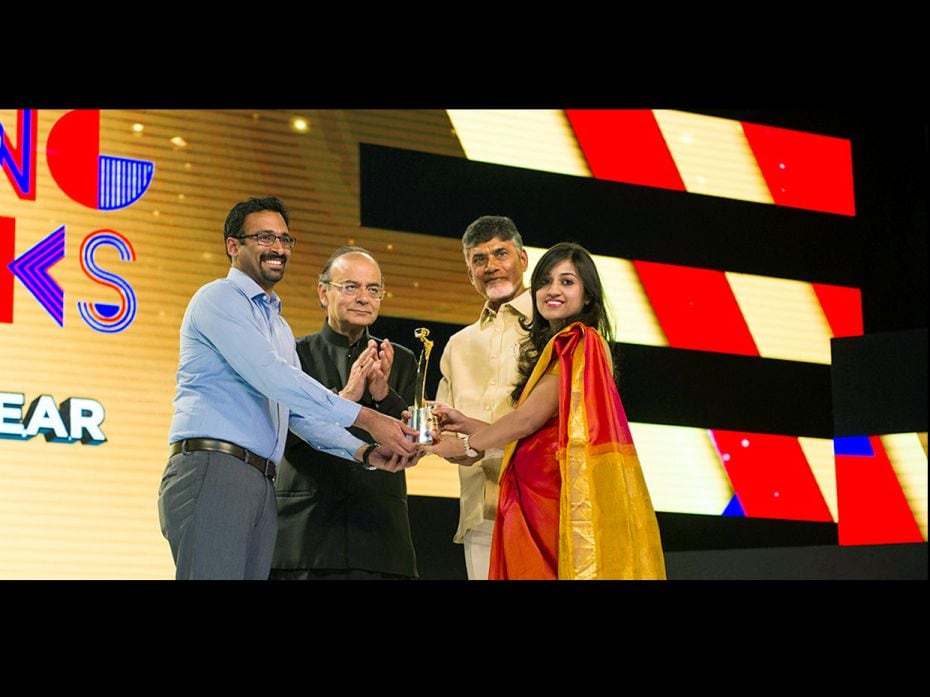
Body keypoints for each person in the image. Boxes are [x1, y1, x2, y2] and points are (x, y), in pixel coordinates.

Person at [158, 196, 420, 580]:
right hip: (215, 468)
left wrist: (363, 451)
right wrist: (365, 416)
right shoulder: (218, 298)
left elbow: (297, 416)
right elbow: (272, 376)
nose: (278, 248)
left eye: (285, 239)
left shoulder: (278, 326)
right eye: (265, 237)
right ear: (234, 246)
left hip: (260, 481)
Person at [427, 242, 666, 580]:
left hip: (553, 508)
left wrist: (468, 445)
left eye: (567, 282)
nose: (553, 290)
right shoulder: (557, 346)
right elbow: (541, 433)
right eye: (545, 282)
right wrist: (467, 423)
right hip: (533, 505)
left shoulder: (579, 341)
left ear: (587, 296)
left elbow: (527, 420)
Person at [270, 247, 418, 580]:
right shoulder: (291, 355)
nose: (364, 298)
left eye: (373, 289)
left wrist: (383, 394)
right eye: (351, 287)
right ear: (323, 293)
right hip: (306, 535)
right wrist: (346, 398)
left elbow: (413, 446)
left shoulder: (402, 360)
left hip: (379, 537)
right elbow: (281, 435)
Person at [434, 215, 534, 580]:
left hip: (543, 503)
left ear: (522, 260)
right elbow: (443, 434)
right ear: (469, 273)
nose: (491, 267)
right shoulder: (457, 346)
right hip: (479, 513)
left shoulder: (553, 328)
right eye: (479, 259)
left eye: (500, 254)